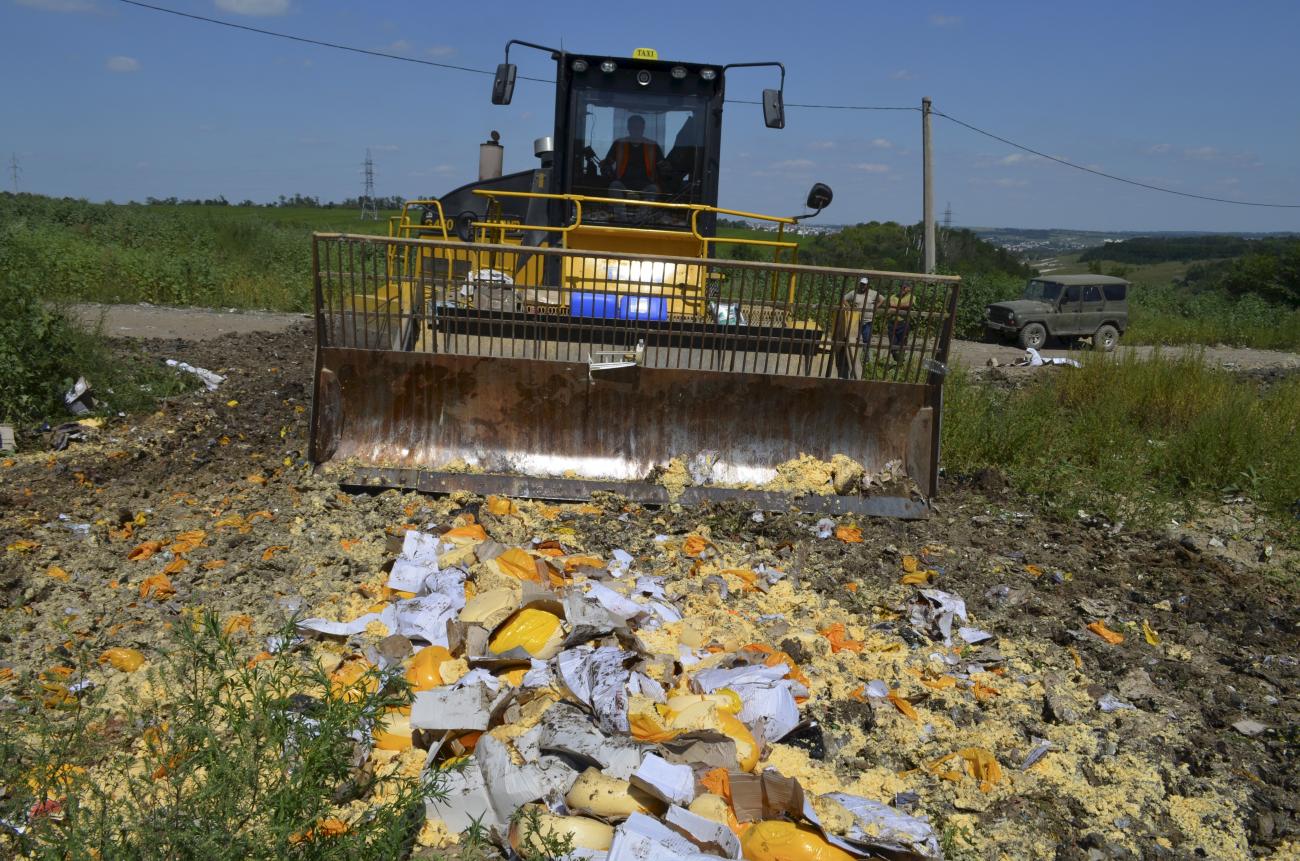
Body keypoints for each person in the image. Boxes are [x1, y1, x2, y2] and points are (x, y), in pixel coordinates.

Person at [604, 115, 663, 195]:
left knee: (654, 189)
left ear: (643, 129)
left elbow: (662, 165)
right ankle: (619, 208)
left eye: (639, 128)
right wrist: (605, 165)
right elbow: (608, 162)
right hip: (622, 184)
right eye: (633, 128)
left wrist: (666, 167)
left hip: (646, 185)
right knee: (614, 186)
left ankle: (644, 208)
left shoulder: (653, 146)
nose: (636, 130)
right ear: (628, 128)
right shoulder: (619, 144)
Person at [833, 276, 878, 379]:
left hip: (868, 320)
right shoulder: (854, 293)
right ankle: (852, 357)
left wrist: (876, 307)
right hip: (857, 320)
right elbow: (843, 298)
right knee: (854, 339)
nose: (862, 286)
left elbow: (882, 299)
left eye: (864, 284)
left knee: (866, 339)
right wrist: (849, 307)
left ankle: (866, 358)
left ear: (867, 285)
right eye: (861, 284)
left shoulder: (873, 293)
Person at [883, 281, 915, 363]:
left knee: (902, 343)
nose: (902, 289)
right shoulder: (893, 296)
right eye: (901, 287)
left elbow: (909, 305)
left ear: (909, 289)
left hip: (903, 323)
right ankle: (898, 360)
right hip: (892, 323)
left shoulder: (912, 297)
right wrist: (902, 306)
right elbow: (891, 304)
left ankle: (900, 362)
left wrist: (896, 306)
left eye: (904, 287)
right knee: (893, 344)